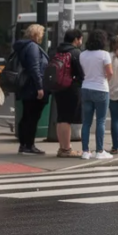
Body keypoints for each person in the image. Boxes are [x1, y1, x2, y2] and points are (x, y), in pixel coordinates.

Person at [78, 30, 114, 160]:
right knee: (100, 121)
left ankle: (85, 151)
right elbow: (110, 72)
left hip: (86, 88)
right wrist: (105, 79)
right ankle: (99, 151)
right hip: (101, 89)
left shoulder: (82, 55)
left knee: (86, 122)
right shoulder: (105, 54)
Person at [13, 23, 49, 155]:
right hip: (33, 87)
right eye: (41, 34)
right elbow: (35, 68)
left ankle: (23, 145)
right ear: (36, 34)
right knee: (32, 117)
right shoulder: (33, 47)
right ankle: (29, 145)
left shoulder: (23, 46)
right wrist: (40, 87)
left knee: (26, 116)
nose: (42, 37)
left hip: (26, 86)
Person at [50, 29, 85, 158]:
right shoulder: (75, 52)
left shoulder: (56, 50)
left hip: (58, 87)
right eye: (80, 39)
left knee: (61, 118)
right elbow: (80, 73)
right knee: (67, 119)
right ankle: (66, 149)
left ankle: (62, 147)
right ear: (76, 39)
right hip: (71, 88)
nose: (81, 42)